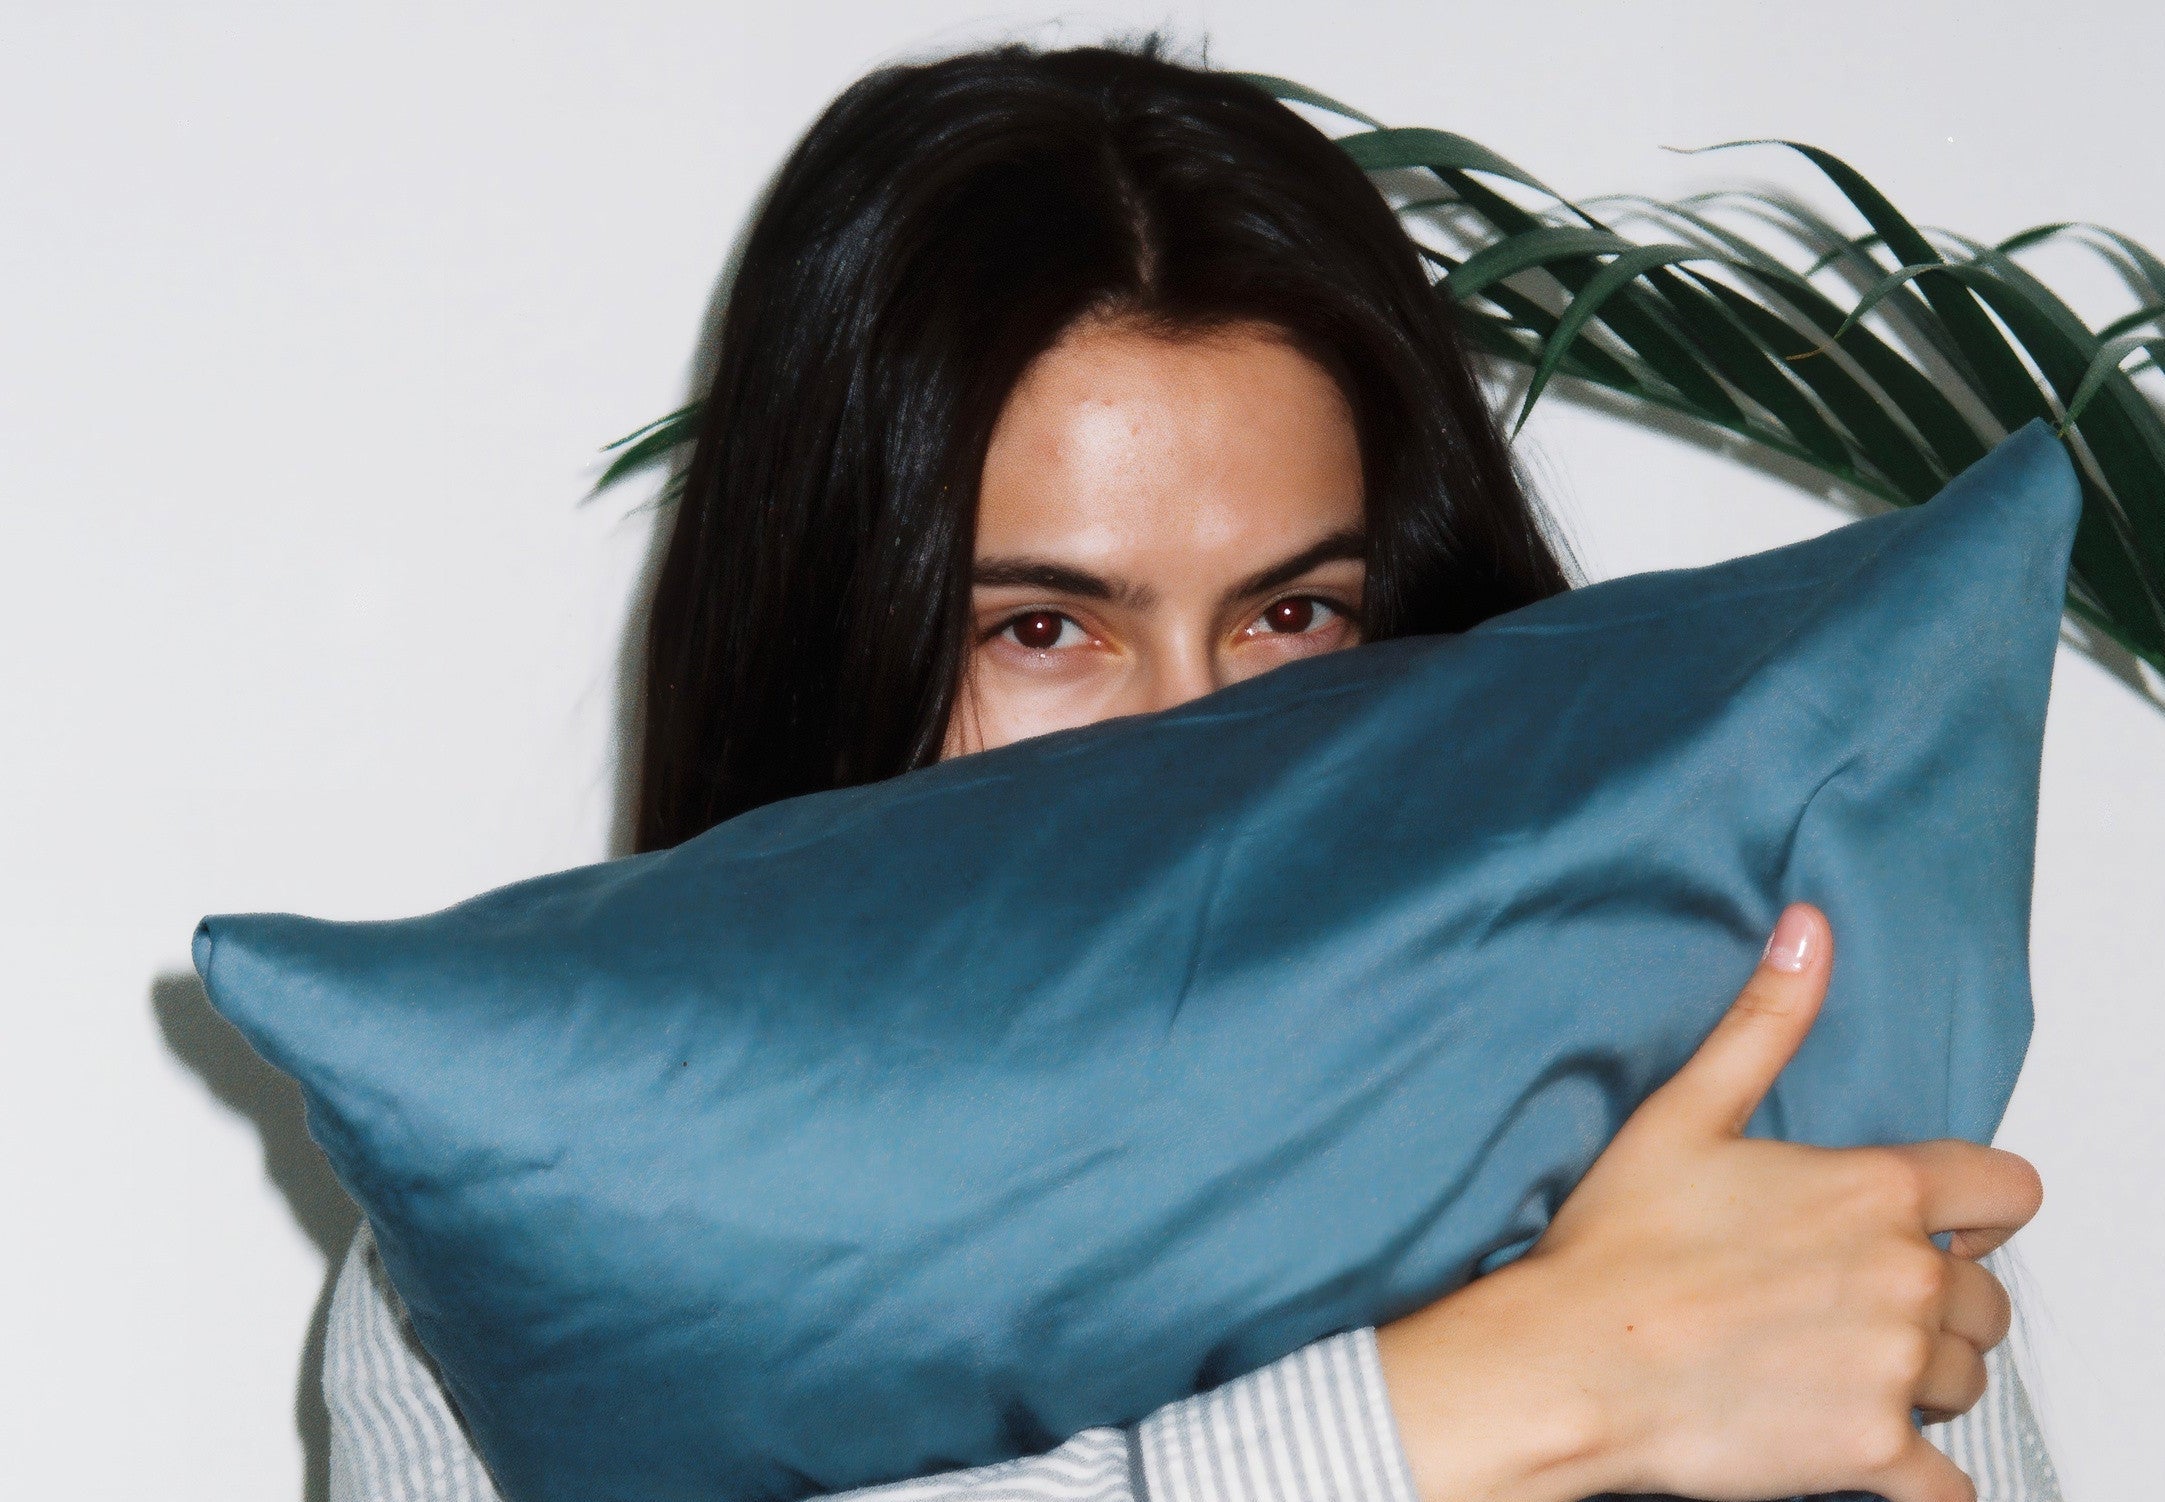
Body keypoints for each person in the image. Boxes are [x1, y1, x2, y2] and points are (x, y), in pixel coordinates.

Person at [322, 36, 2060, 1502]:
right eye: (1041, 629)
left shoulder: (1729, 1078)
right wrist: (1488, 1398)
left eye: (1290, 611)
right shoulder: (525, 1214)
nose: (1193, 728)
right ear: (835, 642)